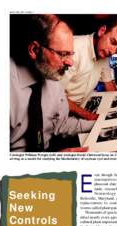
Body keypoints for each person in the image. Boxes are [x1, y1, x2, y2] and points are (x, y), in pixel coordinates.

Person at [10, 14, 95, 152]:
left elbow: (61, 124)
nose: (70, 62)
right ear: (34, 50)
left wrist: (99, 124)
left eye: (70, 54)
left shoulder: (53, 78)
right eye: (63, 54)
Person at [60, 17, 117, 120]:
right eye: (113, 42)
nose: (113, 51)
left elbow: (109, 84)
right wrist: (88, 115)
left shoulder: (104, 56)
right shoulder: (74, 47)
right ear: (102, 31)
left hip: (78, 112)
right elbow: (56, 96)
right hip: (60, 111)